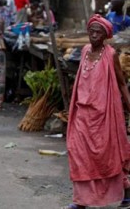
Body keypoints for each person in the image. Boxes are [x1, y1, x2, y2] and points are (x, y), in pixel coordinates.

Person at [65, 14, 130, 209]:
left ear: (106, 35)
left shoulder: (110, 55)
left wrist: (129, 106)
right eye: (91, 31)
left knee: (108, 155)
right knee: (77, 153)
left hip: (104, 115)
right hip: (82, 113)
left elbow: (121, 83)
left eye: (98, 32)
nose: (93, 35)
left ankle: (126, 192)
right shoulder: (84, 50)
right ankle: (81, 201)